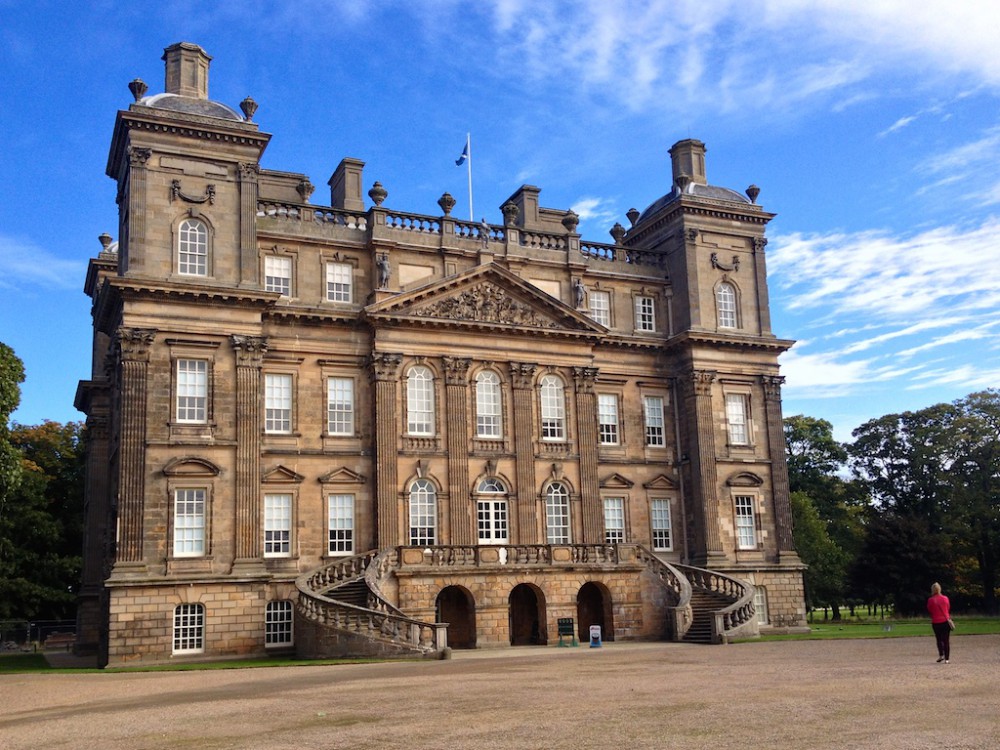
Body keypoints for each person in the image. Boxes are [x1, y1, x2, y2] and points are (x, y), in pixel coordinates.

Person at [927, 582, 952, 663]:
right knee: (946, 640)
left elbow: (930, 610)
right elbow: (948, 608)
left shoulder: (931, 600)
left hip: (936, 622)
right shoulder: (945, 598)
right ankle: (947, 659)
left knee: (939, 639)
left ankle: (941, 655)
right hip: (945, 621)